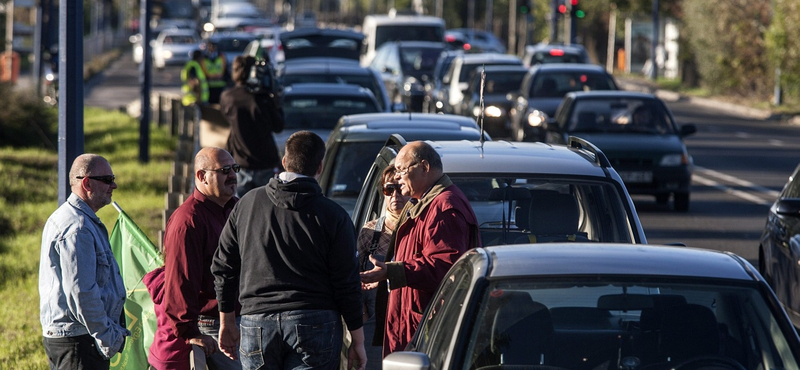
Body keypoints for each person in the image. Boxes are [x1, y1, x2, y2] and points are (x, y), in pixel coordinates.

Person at [212, 131, 367, 370]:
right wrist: (357, 339)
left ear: (284, 162)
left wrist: (226, 319)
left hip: (256, 322)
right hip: (316, 321)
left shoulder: (246, 204)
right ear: (320, 167)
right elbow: (346, 281)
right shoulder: (334, 215)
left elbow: (223, 266)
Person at [361, 141, 480, 356]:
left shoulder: (444, 207)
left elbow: (444, 266)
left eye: (401, 170)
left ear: (424, 167)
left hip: (428, 333)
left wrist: (393, 271)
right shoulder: (423, 202)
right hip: (413, 327)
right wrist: (389, 271)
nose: (396, 177)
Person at [145, 147, 240, 370]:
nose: (233, 175)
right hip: (212, 325)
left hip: (238, 320)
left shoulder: (235, 209)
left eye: (235, 168)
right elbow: (181, 282)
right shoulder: (188, 222)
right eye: (225, 170)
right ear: (202, 176)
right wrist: (190, 333)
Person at [39, 153, 130, 369]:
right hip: (79, 342)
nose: (114, 185)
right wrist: (107, 337)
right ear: (87, 183)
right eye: (107, 180)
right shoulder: (77, 228)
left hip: (78, 339)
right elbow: (82, 293)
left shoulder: (75, 219)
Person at [350, 165, 410, 367]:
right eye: (388, 190)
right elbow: (351, 276)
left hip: (409, 325)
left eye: (399, 189)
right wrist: (363, 314)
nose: (395, 196)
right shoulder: (370, 232)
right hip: (373, 327)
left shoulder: (418, 228)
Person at [220, 55, 285, 198]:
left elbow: (227, 117)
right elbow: (279, 126)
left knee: (240, 212)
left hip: (240, 165)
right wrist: (275, 100)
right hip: (266, 164)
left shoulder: (228, 97)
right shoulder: (263, 98)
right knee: (267, 212)